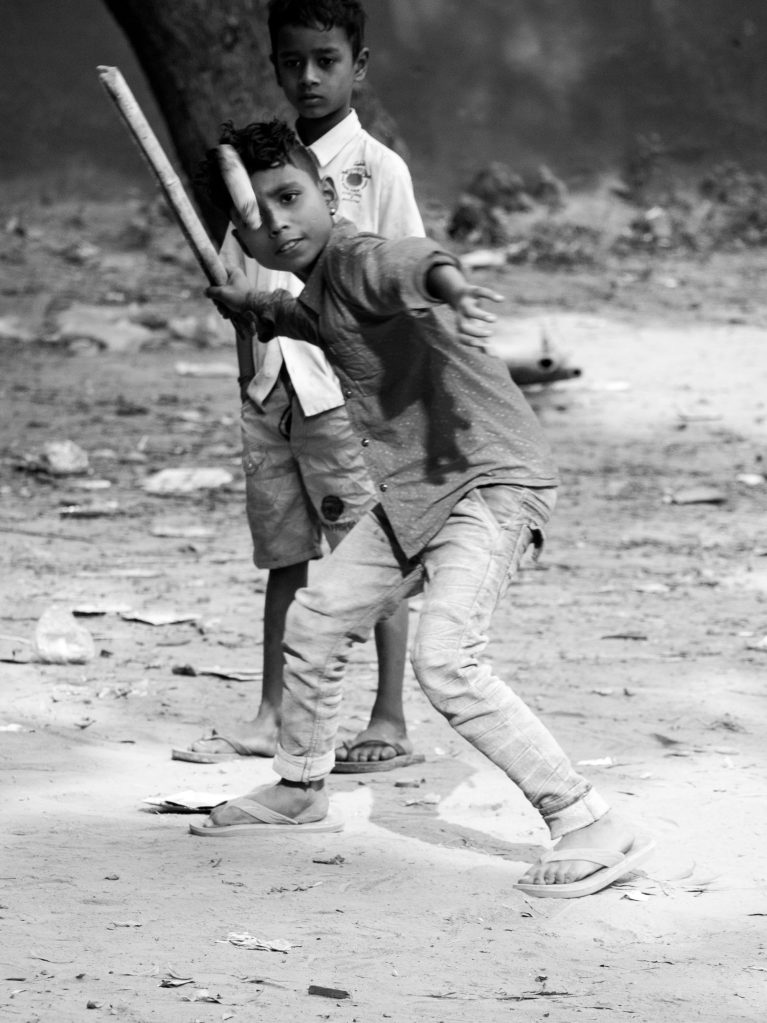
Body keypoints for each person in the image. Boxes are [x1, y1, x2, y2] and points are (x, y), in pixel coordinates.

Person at [189, 120, 655, 900]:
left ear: (327, 193)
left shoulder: (357, 260)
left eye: (290, 197)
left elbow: (411, 262)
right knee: (316, 619)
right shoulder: (318, 290)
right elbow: (306, 320)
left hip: (487, 482)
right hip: (412, 495)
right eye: (256, 217)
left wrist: (456, 288)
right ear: (242, 240)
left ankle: (588, 820)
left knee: (446, 658)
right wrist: (253, 304)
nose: (279, 223)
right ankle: (299, 786)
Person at [173, 0, 425, 771]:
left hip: (346, 397)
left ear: (358, 66)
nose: (309, 77)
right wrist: (240, 336)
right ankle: (272, 712)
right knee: (286, 555)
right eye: (293, 62)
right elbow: (238, 277)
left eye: (326, 60)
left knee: (369, 554)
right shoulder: (253, 170)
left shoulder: (378, 170)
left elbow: (405, 276)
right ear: (274, 67)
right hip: (271, 394)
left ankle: (388, 717)